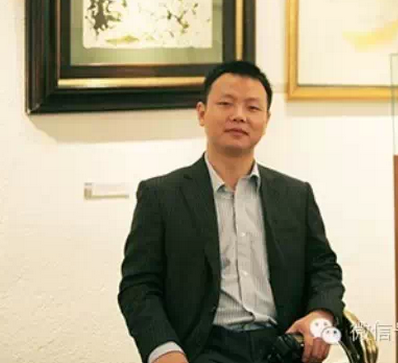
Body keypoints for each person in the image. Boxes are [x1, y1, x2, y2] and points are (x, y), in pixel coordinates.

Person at [118, 61, 345, 363]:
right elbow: (138, 286)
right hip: (201, 350)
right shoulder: (162, 195)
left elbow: (324, 269)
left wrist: (321, 315)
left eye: (252, 107)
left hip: (284, 346)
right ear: (201, 113)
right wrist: (164, 351)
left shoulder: (296, 194)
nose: (239, 115)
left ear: (266, 119)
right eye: (226, 103)